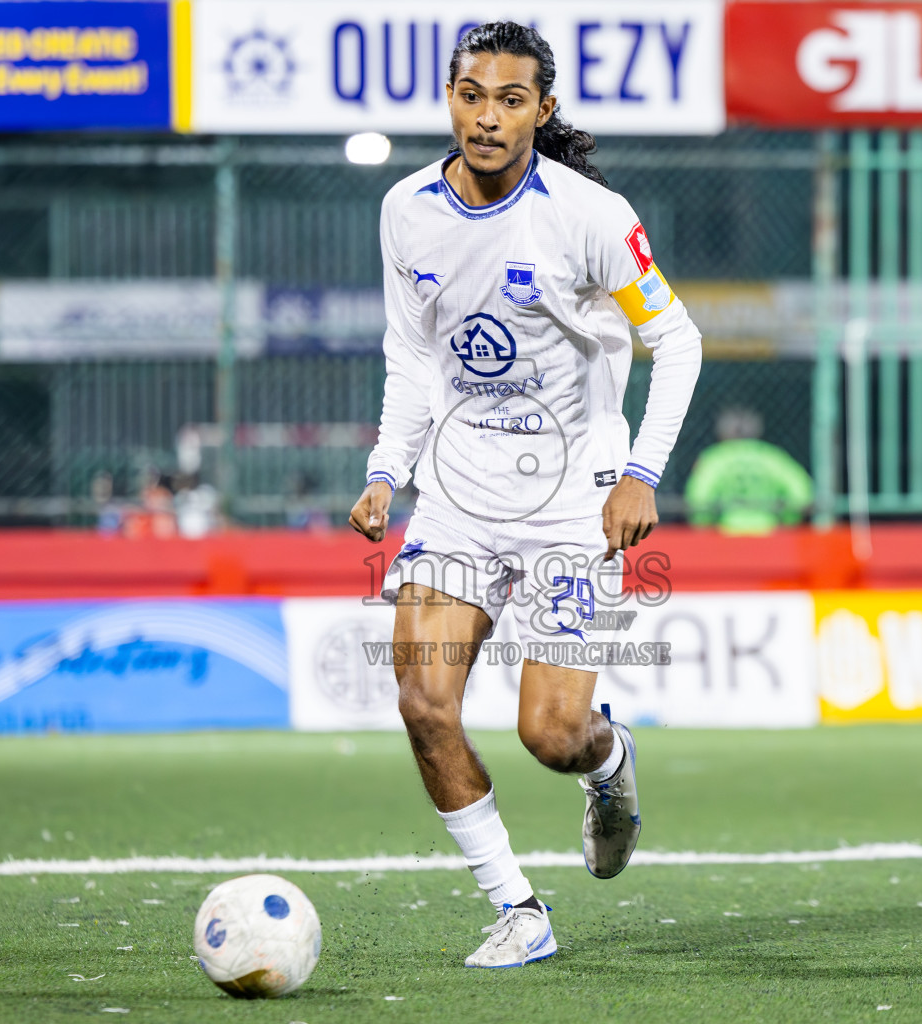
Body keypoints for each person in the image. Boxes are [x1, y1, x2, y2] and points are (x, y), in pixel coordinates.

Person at [348, 22, 702, 968]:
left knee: (551, 734)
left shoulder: (590, 215)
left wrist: (641, 473)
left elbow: (678, 341)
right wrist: (387, 468)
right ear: (450, 98)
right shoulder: (405, 210)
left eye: (510, 100)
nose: (487, 117)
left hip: (573, 506)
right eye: (471, 95)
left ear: (541, 110)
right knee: (424, 704)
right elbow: (410, 355)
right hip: (456, 503)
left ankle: (608, 761)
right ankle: (517, 908)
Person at [684, 407, 812, 535]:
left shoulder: (714, 458)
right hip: (768, 532)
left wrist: (705, 525)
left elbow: (699, 497)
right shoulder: (773, 456)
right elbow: (800, 493)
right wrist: (788, 522)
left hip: (727, 533)